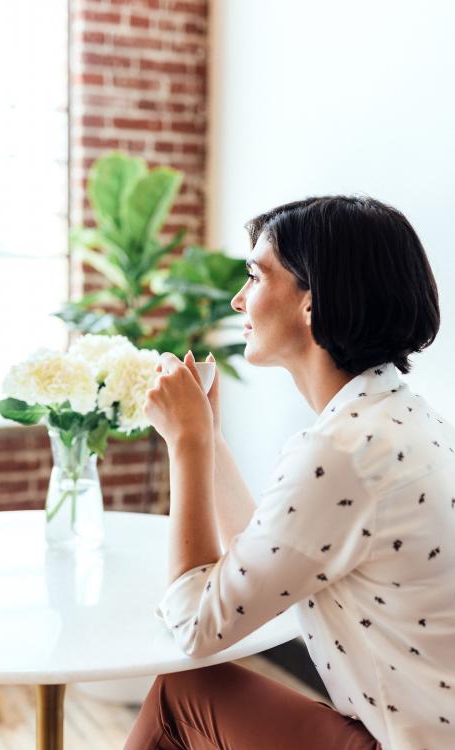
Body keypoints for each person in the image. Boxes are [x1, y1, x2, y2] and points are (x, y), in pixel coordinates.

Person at [124, 195, 454, 750]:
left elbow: (195, 627)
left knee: (176, 696)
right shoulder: (397, 417)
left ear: (311, 300)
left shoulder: (341, 452)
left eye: (254, 276)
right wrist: (209, 438)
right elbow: (272, 555)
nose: (237, 299)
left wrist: (187, 444)